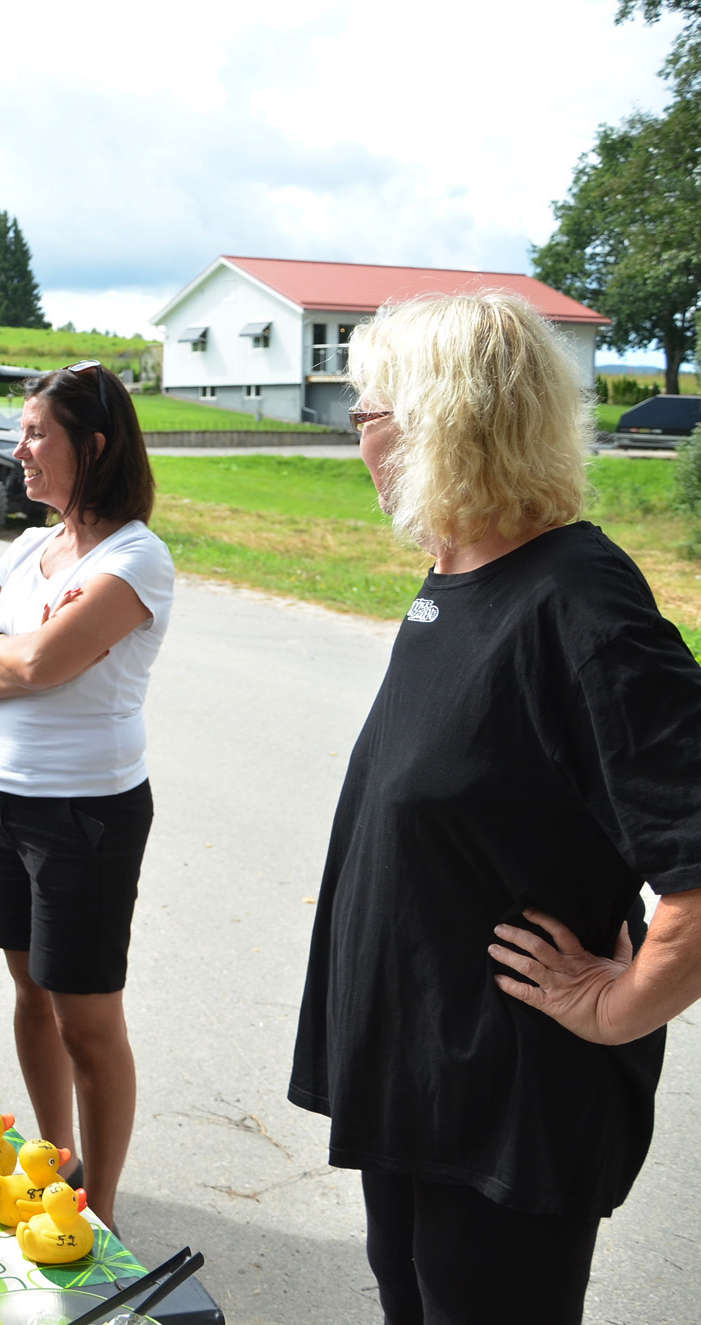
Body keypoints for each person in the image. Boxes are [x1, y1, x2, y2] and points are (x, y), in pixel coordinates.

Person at [287, 292, 701, 1325]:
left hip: (509, 1108)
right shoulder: (458, 577)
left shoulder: (580, 603)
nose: (358, 447)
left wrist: (620, 1001)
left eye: (365, 418)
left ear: (444, 423)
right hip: (419, 1083)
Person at [0, 361, 171, 1226]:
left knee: (88, 1022)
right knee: (30, 993)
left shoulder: (137, 558)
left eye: (38, 434)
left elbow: (31, 661)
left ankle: (98, 1210)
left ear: (94, 446)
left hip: (85, 817)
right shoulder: (33, 545)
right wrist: (19, 644)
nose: (19, 449)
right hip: (4, 804)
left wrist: (10, 645)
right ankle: (55, 1160)